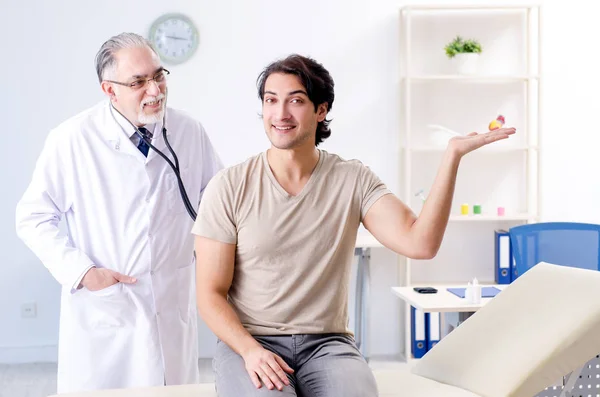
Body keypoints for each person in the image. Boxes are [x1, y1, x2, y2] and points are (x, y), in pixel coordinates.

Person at [192, 54, 515, 396]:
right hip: (251, 341)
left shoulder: (352, 179)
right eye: (271, 100)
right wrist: (249, 350)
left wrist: (451, 157)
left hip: (327, 344)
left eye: (296, 100)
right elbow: (210, 293)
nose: (280, 113)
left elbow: (420, 244)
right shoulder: (229, 185)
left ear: (321, 110)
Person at [15, 32, 223, 393]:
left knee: (173, 388)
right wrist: (83, 272)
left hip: (172, 299)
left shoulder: (188, 130)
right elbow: (32, 218)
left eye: (158, 76)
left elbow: (217, 201)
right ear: (109, 90)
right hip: (109, 307)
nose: (155, 90)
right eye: (138, 82)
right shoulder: (72, 139)